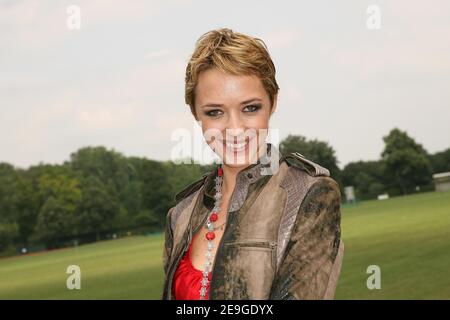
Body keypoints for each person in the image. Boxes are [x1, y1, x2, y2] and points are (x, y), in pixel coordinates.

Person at [162, 28, 344, 300]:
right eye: (215, 112)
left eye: (250, 108)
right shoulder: (181, 213)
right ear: (195, 113)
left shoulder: (309, 194)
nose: (235, 129)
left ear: (273, 102)